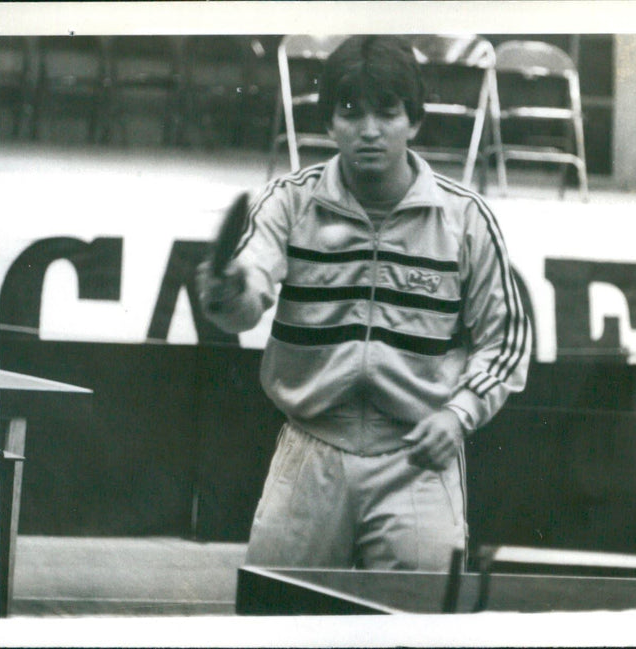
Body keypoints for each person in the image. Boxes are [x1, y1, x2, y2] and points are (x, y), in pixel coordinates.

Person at [198, 35, 531, 571]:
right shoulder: (288, 201)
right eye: (350, 113)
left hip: (417, 460)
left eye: (387, 112)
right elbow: (246, 297)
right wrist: (229, 291)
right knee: (277, 618)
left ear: (414, 121)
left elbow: (507, 341)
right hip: (310, 452)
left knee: (417, 628)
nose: (369, 131)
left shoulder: (466, 218)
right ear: (329, 123)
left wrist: (459, 414)